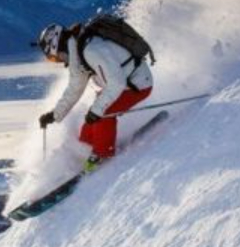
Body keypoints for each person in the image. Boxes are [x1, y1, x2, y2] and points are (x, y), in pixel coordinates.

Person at [35, 17, 154, 172]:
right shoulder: (77, 52)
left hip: (137, 84)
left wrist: (97, 111)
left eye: (54, 56)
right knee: (87, 134)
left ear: (58, 45)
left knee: (103, 112)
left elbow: (116, 82)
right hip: (118, 86)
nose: (58, 60)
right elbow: (75, 87)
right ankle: (86, 152)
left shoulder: (91, 50)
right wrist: (55, 114)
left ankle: (102, 155)